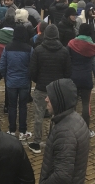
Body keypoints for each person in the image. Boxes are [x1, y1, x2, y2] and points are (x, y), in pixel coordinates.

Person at [28, 25, 71, 154]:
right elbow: (68, 72)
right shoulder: (64, 51)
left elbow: (32, 71)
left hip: (41, 87)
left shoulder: (38, 50)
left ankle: (36, 142)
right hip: (57, 88)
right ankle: (55, 141)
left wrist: (38, 81)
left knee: (39, 115)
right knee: (57, 116)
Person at [38, 78, 90, 184]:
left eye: (50, 97)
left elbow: (62, 176)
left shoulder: (65, 132)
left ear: (59, 100)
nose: (46, 99)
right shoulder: (75, 118)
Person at [0, 25, 33, 139]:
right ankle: (23, 131)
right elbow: (32, 65)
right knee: (23, 106)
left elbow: (2, 65)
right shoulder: (29, 49)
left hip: (11, 82)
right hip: (24, 82)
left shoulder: (7, 48)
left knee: (12, 106)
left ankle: (12, 130)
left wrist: (6, 77)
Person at [67, 23, 95, 135]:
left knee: (72, 104)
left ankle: (71, 128)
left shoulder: (71, 43)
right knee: (85, 104)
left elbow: (67, 60)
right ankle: (86, 130)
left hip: (73, 76)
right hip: (86, 78)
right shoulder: (92, 46)